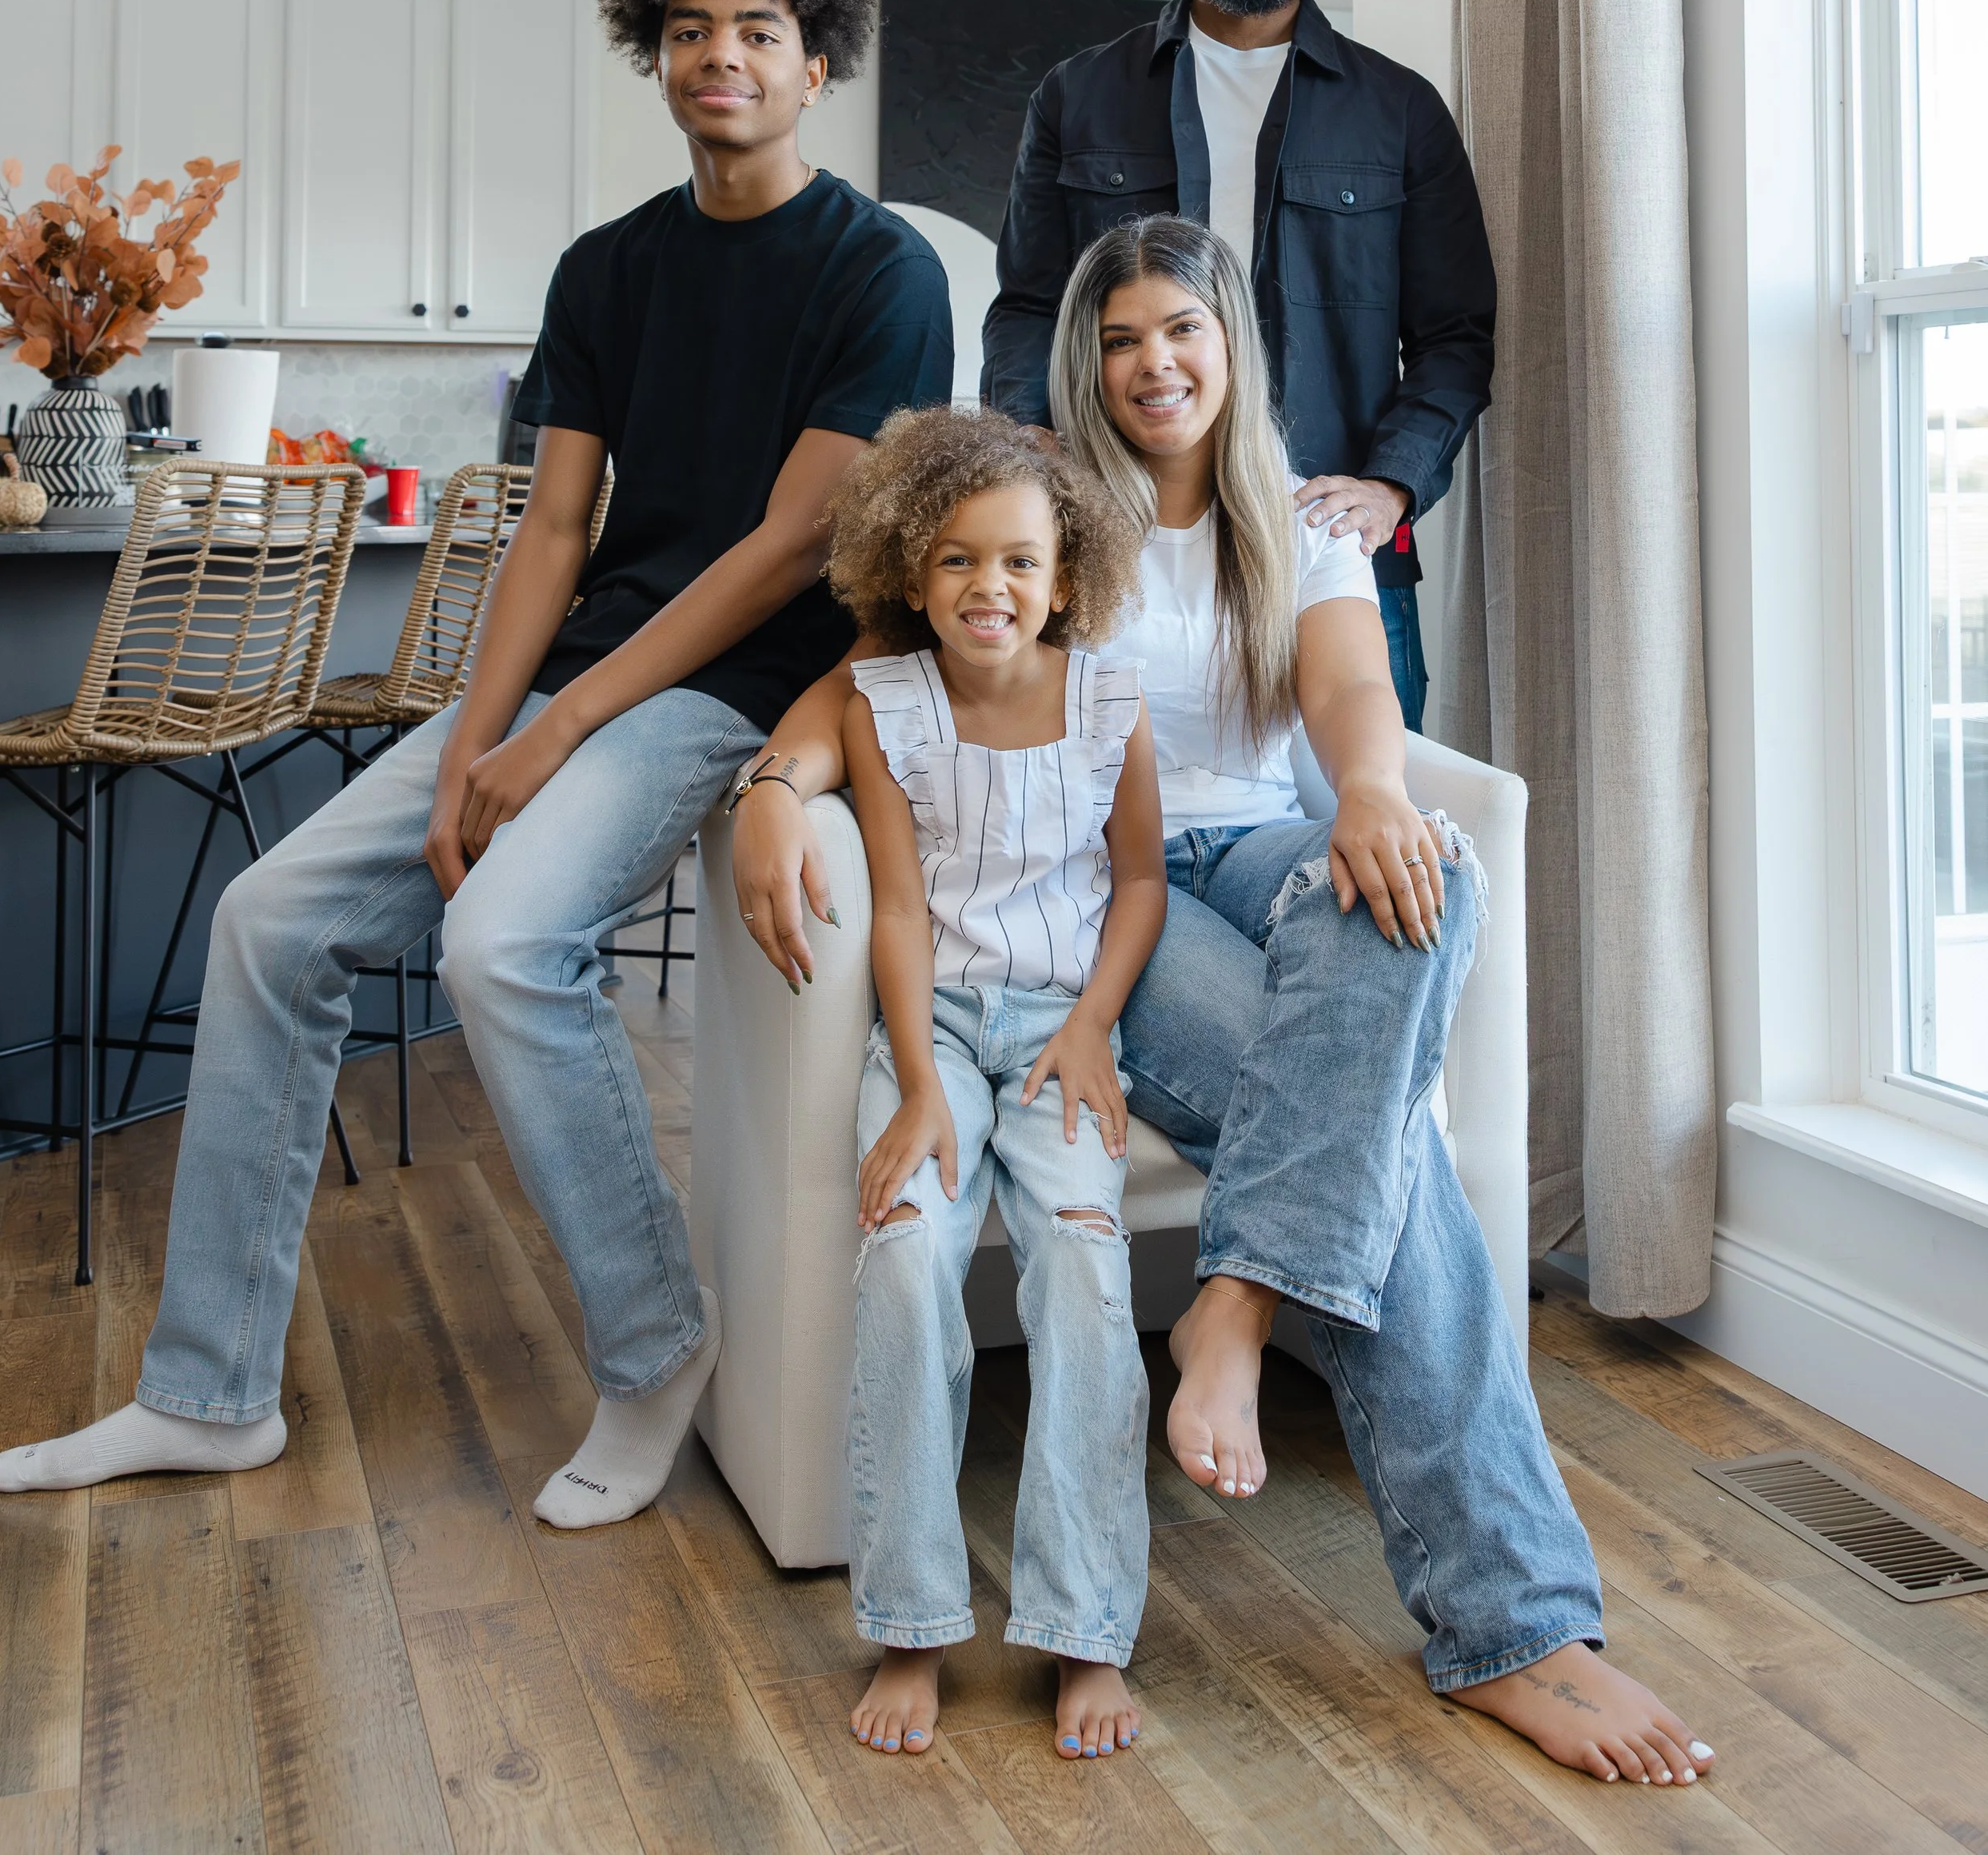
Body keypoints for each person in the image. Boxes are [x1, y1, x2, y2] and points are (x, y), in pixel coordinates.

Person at [0, 0, 952, 1528]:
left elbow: (799, 540)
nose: (720, 56)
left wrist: (561, 729)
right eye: (687, 30)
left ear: (818, 63)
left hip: (735, 697)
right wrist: (466, 741)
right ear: (653, 57)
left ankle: (654, 1350)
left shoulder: (879, 271)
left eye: (759, 31)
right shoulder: (606, 269)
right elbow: (555, 529)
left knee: (498, 949)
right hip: (579, 671)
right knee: (268, 919)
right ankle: (208, 1392)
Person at [735, 220, 1717, 1792]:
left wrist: (1376, 793)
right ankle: (1520, 1628)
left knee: (1431, 876)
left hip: (1257, 849)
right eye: (1120, 336)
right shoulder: (1040, 504)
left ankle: (1235, 1302)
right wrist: (777, 784)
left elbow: (1341, 697)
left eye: (1180, 328)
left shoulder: (1300, 519)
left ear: (1228, 342)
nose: (1152, 362)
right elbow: (878, 666)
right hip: (1105, 899)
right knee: (1391, 1171)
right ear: (1086, 359)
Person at [980, 0, 1495, 728]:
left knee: (1370, 815)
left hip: (1327, 547)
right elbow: (1028, 305)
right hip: (1114, 542)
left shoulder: (1399, 111)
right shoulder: (1079, 95)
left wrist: (1390, 485)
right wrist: (1030, 439)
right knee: (1094, 830)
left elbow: (1456, 336)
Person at [814, 405, 1166, 1765]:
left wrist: (1090, 1025)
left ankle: (1088, 1632)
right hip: (941, 1035)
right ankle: (912, 1621)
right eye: (958, 562)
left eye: (1019, 563)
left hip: (1066, 1030)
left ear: (1064, 576)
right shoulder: (882, 707)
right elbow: (898, 914)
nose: (989, 589)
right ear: (913, 574)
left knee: (1081, 1268)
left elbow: (1137, 881)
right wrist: (914, 1087)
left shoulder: (1108, 702)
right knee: (905, 1258)